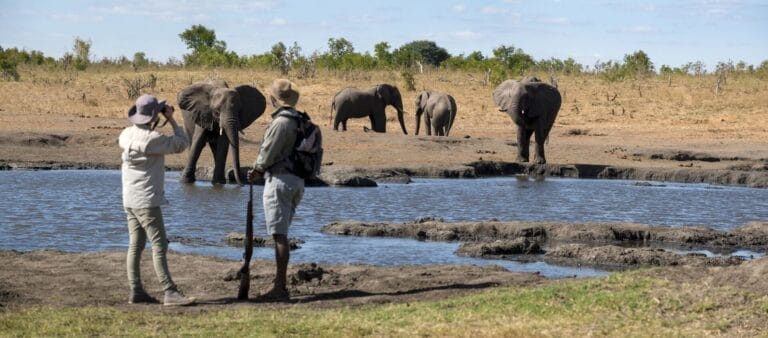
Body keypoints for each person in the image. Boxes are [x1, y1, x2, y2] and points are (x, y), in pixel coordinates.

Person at [119, 94, 196, 306]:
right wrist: (171, 119)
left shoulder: (125, 135)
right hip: (147, 200)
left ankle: (136, 290)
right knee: (159, 244)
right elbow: (182, 144)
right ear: (153, 116)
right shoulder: (153, 140)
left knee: (135, 244)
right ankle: (169, 291)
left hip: (129, 199)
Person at [248, 79, 306, 301]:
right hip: (297, 182)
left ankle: (280, 288)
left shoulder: (281, 122)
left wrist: (257, 171)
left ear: (273, 100)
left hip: (280, 181)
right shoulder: (300, 120)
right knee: (281, 233)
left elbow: (267, 153)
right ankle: (279, 285)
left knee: (279, 236)